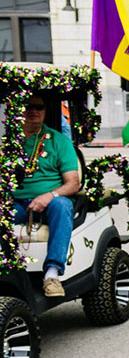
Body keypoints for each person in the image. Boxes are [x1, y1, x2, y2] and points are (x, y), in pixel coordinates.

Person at [13, 96, 80, 297]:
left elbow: (73, 183)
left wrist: (49, 196)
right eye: (28, 106)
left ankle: (52, 274)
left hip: (50, 203)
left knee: (62, 205)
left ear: (45, 111)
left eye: (39, 107)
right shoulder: (9, 142)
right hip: (15, 203)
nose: (33, 110)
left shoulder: (58, 141)